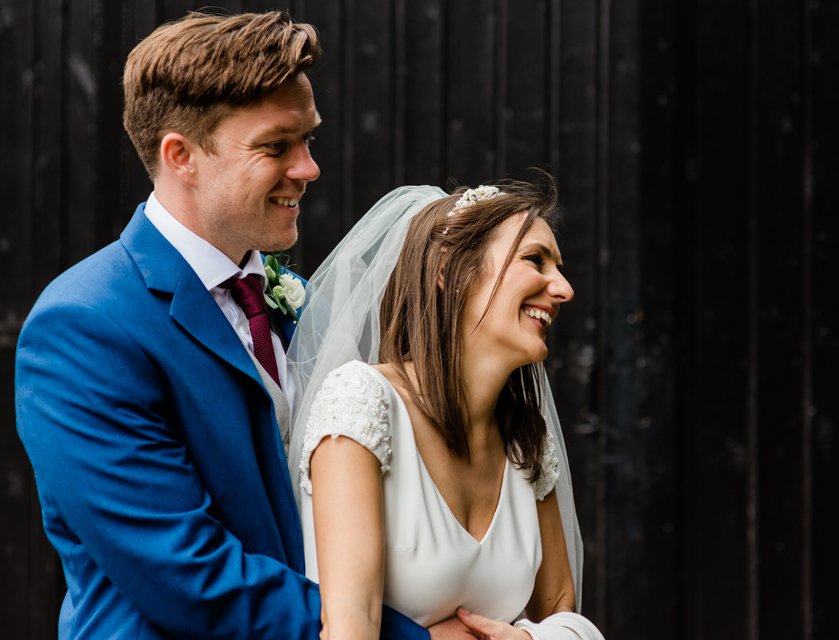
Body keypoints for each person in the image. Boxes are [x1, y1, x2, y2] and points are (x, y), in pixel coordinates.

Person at [15, 11, 426, 639]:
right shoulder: (84, 325)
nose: (309, 168)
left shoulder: (294, 300)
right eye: (276, 146)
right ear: (181, 156)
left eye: (309, 139)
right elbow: (187, 574)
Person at [287, 182, 606, 639]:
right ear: (448, 269)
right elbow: (349, 624)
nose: (564, 289)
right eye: (535, 260)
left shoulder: (524, 436)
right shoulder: (362, 401)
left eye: (559, 267)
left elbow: (561, 609)